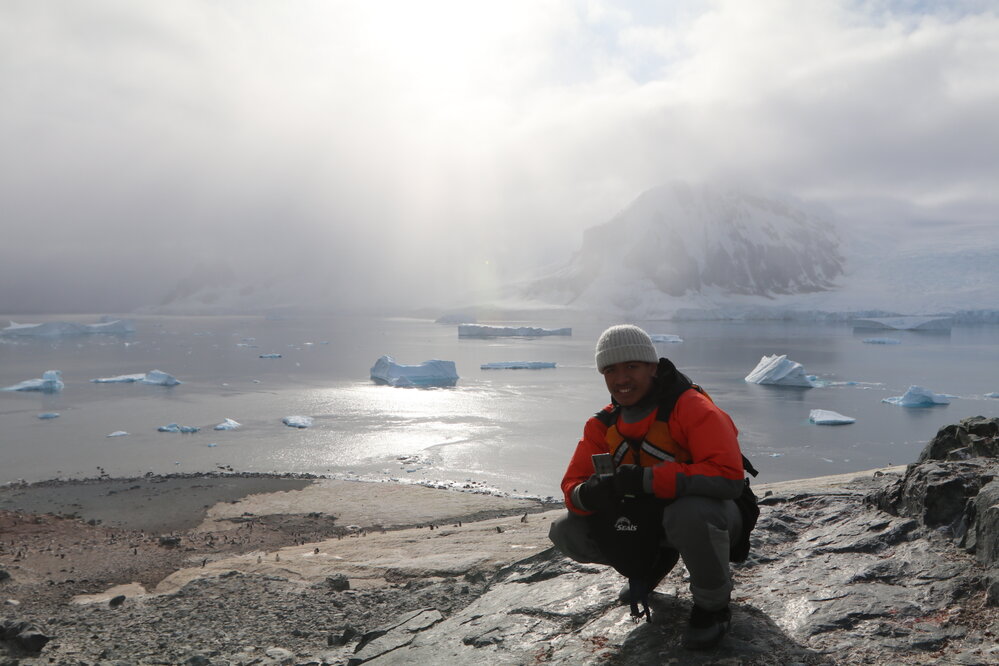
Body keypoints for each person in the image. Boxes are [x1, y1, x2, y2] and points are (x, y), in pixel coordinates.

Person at [548, 324, 748, 650]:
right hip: (648, 522)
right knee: (566, 530)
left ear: (652, 368)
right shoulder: (603, 424)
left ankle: (713, 608)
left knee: (689, 513)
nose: (621, 378)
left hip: (714, 515)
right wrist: (588, 493)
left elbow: (729, 478)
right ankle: (651, 563)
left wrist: (648, 480)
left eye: (632, 366)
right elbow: (572, 484)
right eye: (611, 370)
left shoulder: (690, 407)